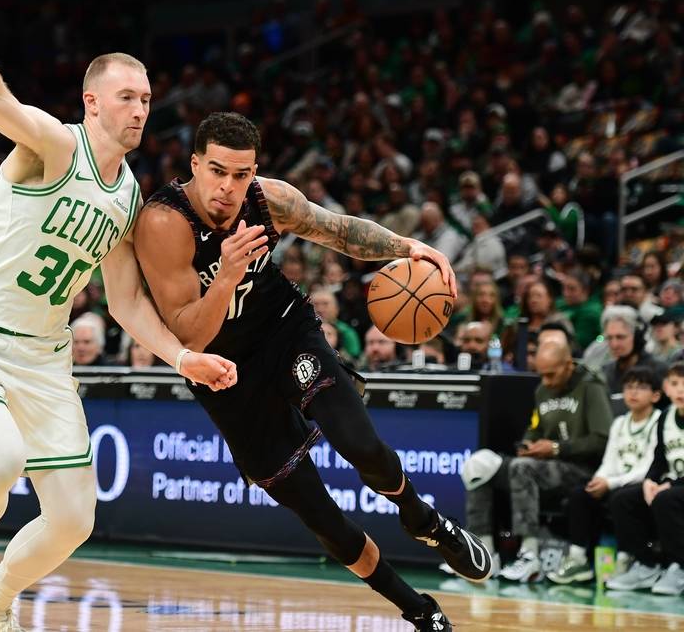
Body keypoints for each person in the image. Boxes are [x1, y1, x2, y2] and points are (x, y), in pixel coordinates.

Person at [0, 8, 236, 632]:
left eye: (146, 99)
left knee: (73, 519)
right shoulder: (56, 145)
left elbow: (125, 302)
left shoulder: (128, 196)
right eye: (127, 97)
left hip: (43, 355)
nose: (140, 110)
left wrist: (182, 358)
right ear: (92, 102)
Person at [133, 112, 494, 631]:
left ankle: (424, 519)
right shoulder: (164, 223)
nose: (229, 187)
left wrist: (407, 247)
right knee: (321, 515)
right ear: (195, 164)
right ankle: (417, 608)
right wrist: (227, 275)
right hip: (223, 371)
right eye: (217, 171)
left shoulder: (268, 199)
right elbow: (191, 337)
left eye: (241, 173)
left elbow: (340, 230)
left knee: (361, 445)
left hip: (284, 331)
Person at [464, 340, 611, 583]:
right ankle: (483, 553)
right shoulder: (542, 390)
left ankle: (529, 554)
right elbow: (534, 429)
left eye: (551, 374)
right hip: (544, 466)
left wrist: (556, 448)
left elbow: (602, 440)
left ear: (568, 365)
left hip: (583, 470)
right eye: (542, 374)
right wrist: (527, 445)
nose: (546, 381)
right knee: (478, 466)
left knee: (522, 468)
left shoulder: (591, 387)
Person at [548, 365, 661, 584]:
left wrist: (610, 483)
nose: (633, 392)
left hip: (642, 483)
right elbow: (609, 461)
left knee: (621, 498)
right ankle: (578, 560)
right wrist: (599, 480)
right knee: (581, 494)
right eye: (629, 387)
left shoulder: (658, 421)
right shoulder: (619, 423)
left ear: (655, 395)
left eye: (641, 387)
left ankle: (626, 560)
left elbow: (648, 468)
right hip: (615, 482)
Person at [607, 361, 684, 595]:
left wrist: (669, 485)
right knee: (623, 499)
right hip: (672, 484)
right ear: (666, 388)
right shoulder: (666, 417)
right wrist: (650, 480)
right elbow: (660, 457)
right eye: (675, 383)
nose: (681, 390)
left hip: (676, 487)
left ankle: (680, 566)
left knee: (666, 499)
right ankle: (646, 564)